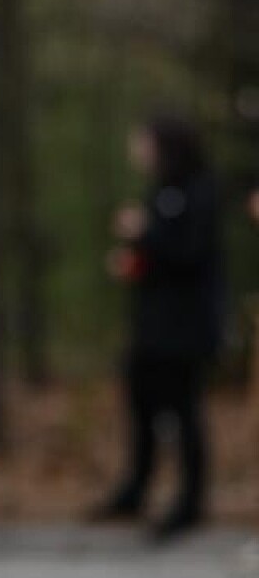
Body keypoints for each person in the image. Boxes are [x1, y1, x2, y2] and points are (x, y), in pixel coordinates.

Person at [93, 113, 225, 542]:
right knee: (141, 401)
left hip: (185, 328)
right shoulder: (161, 190)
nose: (137, 151)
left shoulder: (199, 190)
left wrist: (145, 232)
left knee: (183, 412)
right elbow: (159, 258)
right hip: (153, 325)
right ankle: (136, 487)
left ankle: (190, 501)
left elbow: (189, 253)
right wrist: (133, 261)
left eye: (143, 143)